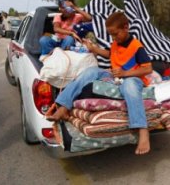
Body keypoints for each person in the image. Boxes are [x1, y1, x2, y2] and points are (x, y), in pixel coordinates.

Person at [47, 12, 152, 155]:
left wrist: (125, 74)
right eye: (111, 36)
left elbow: (147, 68)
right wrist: (94, 49)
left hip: (132, 78)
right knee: (91, 71)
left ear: (126, 27)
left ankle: (142, 129)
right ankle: (63, 106)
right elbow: (110, 54)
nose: (114, 38)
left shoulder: (136, 46)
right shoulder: (116, 43)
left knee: (129, 86)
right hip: (115, 76)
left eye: (116, 34)